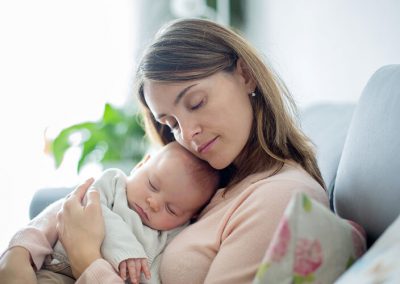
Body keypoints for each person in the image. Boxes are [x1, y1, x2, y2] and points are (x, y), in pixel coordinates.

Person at [0, 18, 329, 284]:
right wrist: (19, 254)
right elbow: (92, 199)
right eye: (170, 123)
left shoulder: (282, 199)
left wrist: (88, 258)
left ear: (245, 75)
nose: (187, 134)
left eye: (196, 102)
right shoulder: (212, 175)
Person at [1, 142, 219, 284]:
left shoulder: (169, 238)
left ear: (189, 218)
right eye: (152, 185)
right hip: (53, 268)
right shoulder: (113, 184)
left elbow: (152, 274)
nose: (153, 203)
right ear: (141, 165)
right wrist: (21, 251)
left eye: (171, 209)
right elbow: (75, 211)